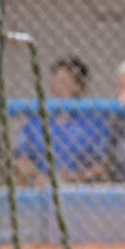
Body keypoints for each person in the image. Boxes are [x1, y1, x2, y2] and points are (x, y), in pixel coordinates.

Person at [14, 55, 109, 186]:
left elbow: (104, 165)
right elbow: (20, 158)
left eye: (65, 81)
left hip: (81, 190)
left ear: (80, 87)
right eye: (55, 81)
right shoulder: (37, 122)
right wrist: (38, 176)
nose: (57, 87)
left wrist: (75, 177)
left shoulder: (94, 124)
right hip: (40, 188)